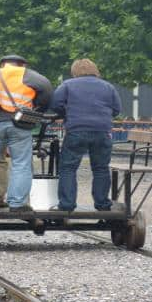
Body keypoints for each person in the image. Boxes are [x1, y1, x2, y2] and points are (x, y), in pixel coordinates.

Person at [0, 55, 52, 212]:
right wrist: (36, 110)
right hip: (19, 124)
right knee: (21, 164)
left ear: (3, 64)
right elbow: (46, 90)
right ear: (22, 64)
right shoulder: (29, 75)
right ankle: (17, 204)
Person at [51, 58, 121, 212]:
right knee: (101, 168)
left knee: (68, 168)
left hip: (76, 130)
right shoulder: (108, 87)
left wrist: (67, 113)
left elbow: (55, 104)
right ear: (95, 70)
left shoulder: (67, 85)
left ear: (74, 71)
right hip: (102, 132)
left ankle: (67, 205)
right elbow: (116, 109)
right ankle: (102, 204)